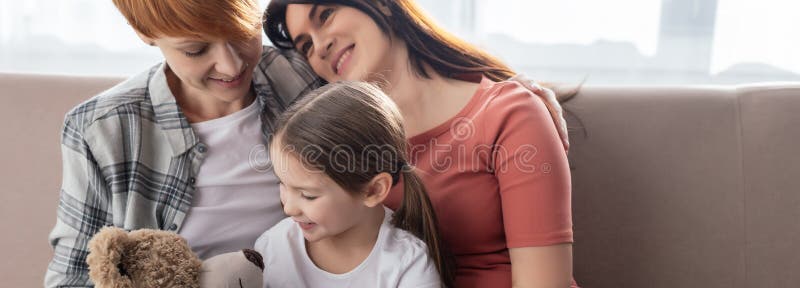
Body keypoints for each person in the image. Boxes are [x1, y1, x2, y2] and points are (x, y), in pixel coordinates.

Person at [265, 1, 578, 287]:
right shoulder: (331, 150)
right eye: (305, 46)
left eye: (326, 14)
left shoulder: (510, 113)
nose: (320, 46)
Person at [45, 0, 320, 286]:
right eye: (196, 50)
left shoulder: (302, 77)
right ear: (144, 32)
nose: (232, 65)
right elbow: (72, 278)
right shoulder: (101, 129)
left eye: (242, 32)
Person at [256, 81, 452, 287]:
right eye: (283, 184)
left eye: (308, 195)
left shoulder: (408, 263)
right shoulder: (271, 249)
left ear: (373, 190)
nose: (288, 208)